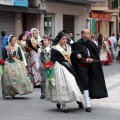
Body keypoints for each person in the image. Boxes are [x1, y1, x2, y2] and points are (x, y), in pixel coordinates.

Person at [46, 32, 83, 113]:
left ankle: (79, 100)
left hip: (68, 67)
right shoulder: (55, 48)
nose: (65, 40)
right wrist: (49, 70)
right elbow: (52, 60)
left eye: (66, 39)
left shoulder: (68, 47)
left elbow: (71, 57)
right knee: (61, 85)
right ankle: (63, 104)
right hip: (59, 67)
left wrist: (78, 55)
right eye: (63, 39)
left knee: (73, 84)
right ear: (59, 40)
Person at [72, 29, 108, 112]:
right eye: (87, 33)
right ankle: (88, 105)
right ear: (82, 35)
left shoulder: (91, 43)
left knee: (89, 83)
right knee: (84, 83)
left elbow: (95, 53)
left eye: (89, 33)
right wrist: (85, 60)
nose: (89, 34)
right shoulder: (78, 44)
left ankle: (80, 100)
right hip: (81, 67)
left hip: (91, 67)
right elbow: (75, 56)